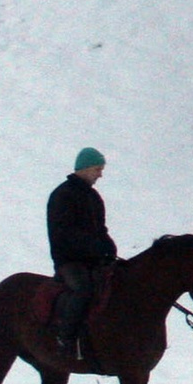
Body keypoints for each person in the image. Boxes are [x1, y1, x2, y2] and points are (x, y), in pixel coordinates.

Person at [46, 148, 118, 356]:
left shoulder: (94, 198)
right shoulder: (62, 195)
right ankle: (66, 339)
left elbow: (101, 230)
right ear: (85, 168)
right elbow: (64, 233)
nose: (100, 175)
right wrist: (93, 247)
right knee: (84, 289)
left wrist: (109, 247)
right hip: (69, 262)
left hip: (93, 260)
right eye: (97, 169)